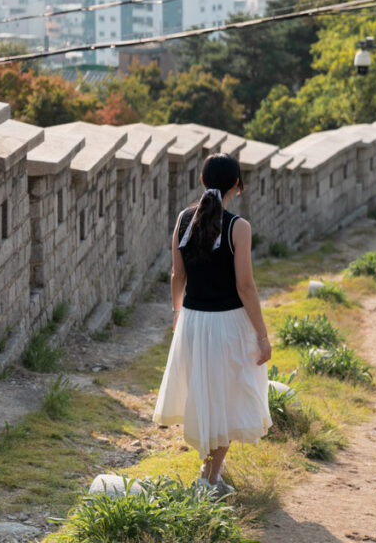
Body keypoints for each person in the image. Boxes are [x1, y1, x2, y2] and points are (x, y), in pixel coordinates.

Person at [152, 152, 272, 497]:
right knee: (230, 398)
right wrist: (262, 336)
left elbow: (178, 275)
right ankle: (207, 481)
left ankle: (209, 476)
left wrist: (179, 317)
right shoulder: (239, 227)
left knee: (208, 397)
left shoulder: (183, 220)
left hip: (193, 321)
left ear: (202, 181)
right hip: (228, 325)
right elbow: (245, 286)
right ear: (237, 185)